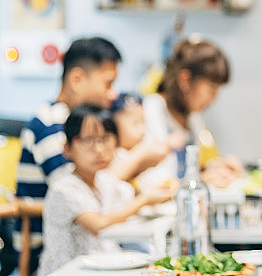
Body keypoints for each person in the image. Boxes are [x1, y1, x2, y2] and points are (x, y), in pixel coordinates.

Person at [14, 36, 122, 275]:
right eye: (108, 83)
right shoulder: (52, 123)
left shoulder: (83, 124)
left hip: (85, 246)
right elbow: (76, 194)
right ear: (76, 79)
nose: (113, 94)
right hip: (47, 252)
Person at [38, 105, 174, 275]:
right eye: (87, 140)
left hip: (101, 267)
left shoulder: (103, 180)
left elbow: (130, 200)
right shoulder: (63, 187)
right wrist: (144, 200)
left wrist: (167, 191)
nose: (99, 149)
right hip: (68, 270)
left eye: (105, 138)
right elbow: (98, 224)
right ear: (67, 148)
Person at [140, 37, 242, 190]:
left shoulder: (193, 117)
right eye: (212, 88)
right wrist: (201, 180)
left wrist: (219, 168)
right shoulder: (151, 110)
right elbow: (154, 183)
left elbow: (201, 164)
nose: (214, 98)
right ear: (185, 80)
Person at [106, 92, 173, 189]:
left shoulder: (144, 148)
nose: (143, 131)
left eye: (143, 122)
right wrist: (140, 155)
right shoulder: (111, 157)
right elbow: (108, 183)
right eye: (135, 123)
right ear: (113, 126)